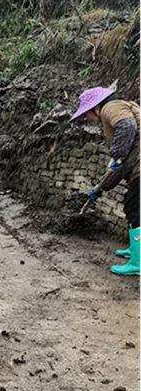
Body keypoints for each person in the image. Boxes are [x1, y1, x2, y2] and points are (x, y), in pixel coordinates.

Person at [71, 86, 140, 276]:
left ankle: (138, 262)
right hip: (136, 166)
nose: (87, 119)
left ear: (95, 108)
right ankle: (136, 250)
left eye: (86, 115)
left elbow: (127, 126)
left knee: (134, 209)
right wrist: (101, 188)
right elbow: (119, 168)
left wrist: (117, 157)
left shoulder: (111, 107)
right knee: (132, 207)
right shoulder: (120, 107)